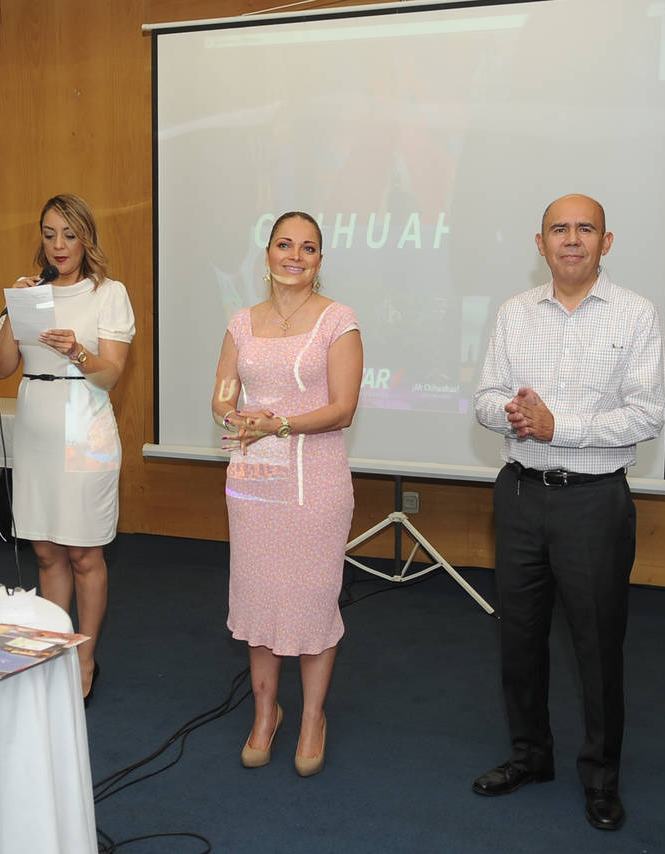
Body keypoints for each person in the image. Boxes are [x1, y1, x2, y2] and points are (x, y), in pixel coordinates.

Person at [471, 194, 665, 830]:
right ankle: (530, 756)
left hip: (593, 502)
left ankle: (602, 779)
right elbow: (484, 397)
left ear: (605, 243)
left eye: (586, 229)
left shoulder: (636, 314)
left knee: (597, 647)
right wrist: (512, 413)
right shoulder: (513, 312)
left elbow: (646, 416)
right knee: (520, 638)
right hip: (520, 495)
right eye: (560, 229)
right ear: (541, 244)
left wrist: (560, 426)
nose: (572, 239)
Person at [211, 211, 363, 777]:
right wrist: (234, 416)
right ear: (268, 253)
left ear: (319, 260)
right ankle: (265, 714)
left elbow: (342, 408)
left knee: (313, 599)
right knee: (258, 596)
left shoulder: (338, 320)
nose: (295, 256)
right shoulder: (241, 323)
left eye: (308, 247)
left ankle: (313, 718)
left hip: (316, 482)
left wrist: (278, 424)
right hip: (254, 481)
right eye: (284, 244)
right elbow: (221, 396)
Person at [0, 193, 134, 706]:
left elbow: (111, 374)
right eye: (50, 234)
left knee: (84, 550)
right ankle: (55, 651)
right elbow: (2, 368)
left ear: (86, 238)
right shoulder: (30, 293)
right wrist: (14, 311)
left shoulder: (108, 293)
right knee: (47, 549)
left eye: (69, 234)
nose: (59, 245)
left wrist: (77, 350)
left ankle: (85, 658)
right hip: (36, 423)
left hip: (85, 422)